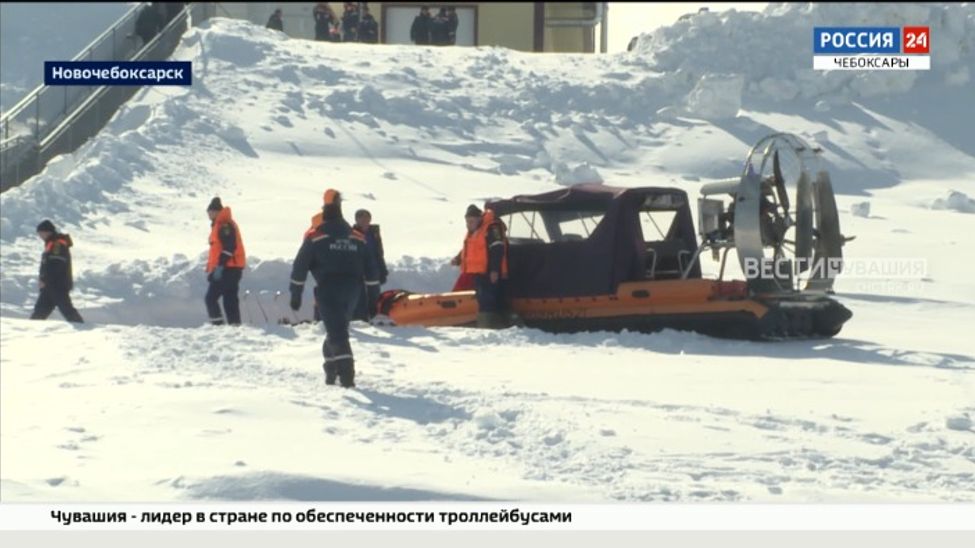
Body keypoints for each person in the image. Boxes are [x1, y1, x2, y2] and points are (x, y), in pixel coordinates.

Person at [289, 189, 374, 387]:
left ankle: (346, 377)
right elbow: (371, 266)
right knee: (336, 329)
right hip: (353, 290)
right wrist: (373, 294)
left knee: (337, 333)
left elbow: (299, 266)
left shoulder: (316, 236)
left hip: (328, 290)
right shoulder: (356, 237)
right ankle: (331, 370)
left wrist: (296, 294)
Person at [457, 205, 510, 327]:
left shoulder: (492, 228)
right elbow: (469, 249)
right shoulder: (474, 231)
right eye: (467, 221)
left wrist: (494, 270)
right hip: (478, 272)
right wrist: (458, 258)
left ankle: (488, 326)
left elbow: (497, 249)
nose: (468, 224)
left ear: (479, 219)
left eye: (471, 221)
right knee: (484, 299)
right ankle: (493, 323)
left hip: (489, 272)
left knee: (488, 300)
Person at [31, 220, 84, 323]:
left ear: (47, 231)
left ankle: (83, 329)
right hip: (51, 285)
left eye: (40, 233)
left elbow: (56, 264)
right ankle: (31, 332)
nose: (40, 236)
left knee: (67, 310)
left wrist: (45, 279)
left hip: (57, 285)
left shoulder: (57, 244)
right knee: (40, 311)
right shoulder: (52, 243)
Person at [204, 198, 246, 325]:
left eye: (210, 212)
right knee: (230, 298)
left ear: (217, 212)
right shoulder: (221, 224)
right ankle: (234, 326)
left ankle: (218, 327)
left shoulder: (224, 225)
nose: (209, 215)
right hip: (232, 268)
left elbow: (229, 247)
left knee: (210, 298)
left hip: (228, 269)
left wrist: (219, 267)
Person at [352, 209, 388, 321]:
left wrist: (382, 269)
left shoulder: (374, 233)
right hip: (358, 269)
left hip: (373, 268)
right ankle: (360, 318)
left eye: (366, 218)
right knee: (359, 295)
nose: (364, 221)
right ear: (357, 220)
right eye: (361, 218)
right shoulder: (351, 234)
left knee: (374, 294)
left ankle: (374, 316)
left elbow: (379, 253)